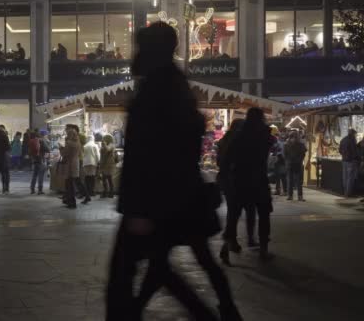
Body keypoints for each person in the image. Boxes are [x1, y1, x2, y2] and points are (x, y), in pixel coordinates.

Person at [106, 22, 242, 321]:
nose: (135, 54)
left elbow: (149, 152)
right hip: (168, 199)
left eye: (141, 47)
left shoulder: (160, 90)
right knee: (158, 269)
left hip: (154, 202)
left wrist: (138, 208)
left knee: (136, 273)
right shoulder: (171, 85)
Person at [227, 107, 274, 261]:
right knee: (264, 214)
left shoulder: (240, 135)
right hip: (259, 179)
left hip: (241, 179)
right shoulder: (265, 134)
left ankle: (229, 243)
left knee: (234, 213)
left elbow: (230, 155)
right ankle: (263, 249)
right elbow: (270, 145)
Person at [217, 119, 257, 266]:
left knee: (233, 213)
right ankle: (231, 244)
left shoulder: (224, 141)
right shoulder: (238, 141)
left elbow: (220, 162)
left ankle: (231, 243)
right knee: (245, 211)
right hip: (239, 182)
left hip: (228, 182)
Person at [284, 131, 308, 202]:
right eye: (293, 137)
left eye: (295, 137)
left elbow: (285, 155)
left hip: (292, 164)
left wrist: (288, 160)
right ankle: (297, 196)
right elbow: (303, 153)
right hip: (295, 164)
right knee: (295, 181)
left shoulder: (287, 144)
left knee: (293, 181)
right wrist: (299, 160)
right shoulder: (300, 144)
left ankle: (291, 196)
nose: (294, 139)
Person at [60, 129, 80, 209]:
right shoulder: (78, 143)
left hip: (70, 164)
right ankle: (70, 201)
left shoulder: (69, 143)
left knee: (69, 185)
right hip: (76, 163)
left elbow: (64, 153)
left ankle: (71, 202)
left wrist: (61, 148)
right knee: (71, 184)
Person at [339, 129, 359, 197]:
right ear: (353, 134)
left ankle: (345, 192)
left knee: (345, 177)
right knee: (350, 178)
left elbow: (340, 150)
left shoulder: (343, 139)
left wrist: (344, 155)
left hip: (344, 160)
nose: (355, 136)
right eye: (355, 134)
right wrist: (356, 158)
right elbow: (354, 151)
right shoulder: (352, 140)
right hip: (351, 161)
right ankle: (348, 193)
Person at [82, 135, 100, 204]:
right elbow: (97, 155)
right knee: (92, 176)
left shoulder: (85, 146)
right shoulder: (95, 145)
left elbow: (83, 155)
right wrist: (98, 162)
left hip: (86, 163)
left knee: (87, 177)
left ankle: (87, 192)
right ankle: (91, 191)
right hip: (93, 163)